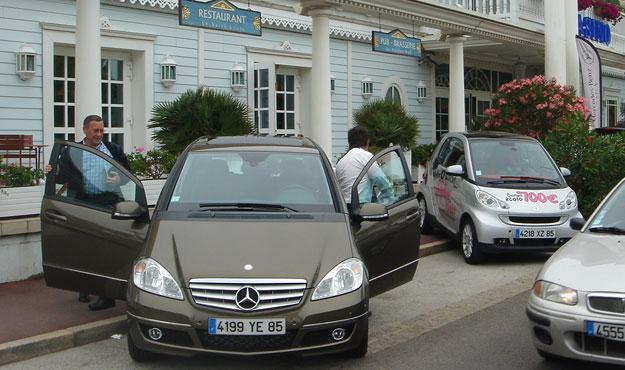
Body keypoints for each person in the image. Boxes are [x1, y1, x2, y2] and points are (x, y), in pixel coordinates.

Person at [46, 115, 129, 311]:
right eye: (95, 131)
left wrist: (119, 178)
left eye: (101, 130)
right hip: (83, 206)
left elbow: (127, 174)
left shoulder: (113, 150)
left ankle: (106, 296)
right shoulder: (72, 151)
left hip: (108, 205)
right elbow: (63, 177)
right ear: (85, 130)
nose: (99, 134)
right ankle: (85, 286)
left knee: (105, 251)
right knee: (84, 249)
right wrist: (51, 172)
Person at [335, 126, 394, 208]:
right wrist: (391, 199)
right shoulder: (366, 156)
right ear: (367, 141)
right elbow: (381, 180)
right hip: (361, 207)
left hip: (343, 207)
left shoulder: (341, 161)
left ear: (349, 143)